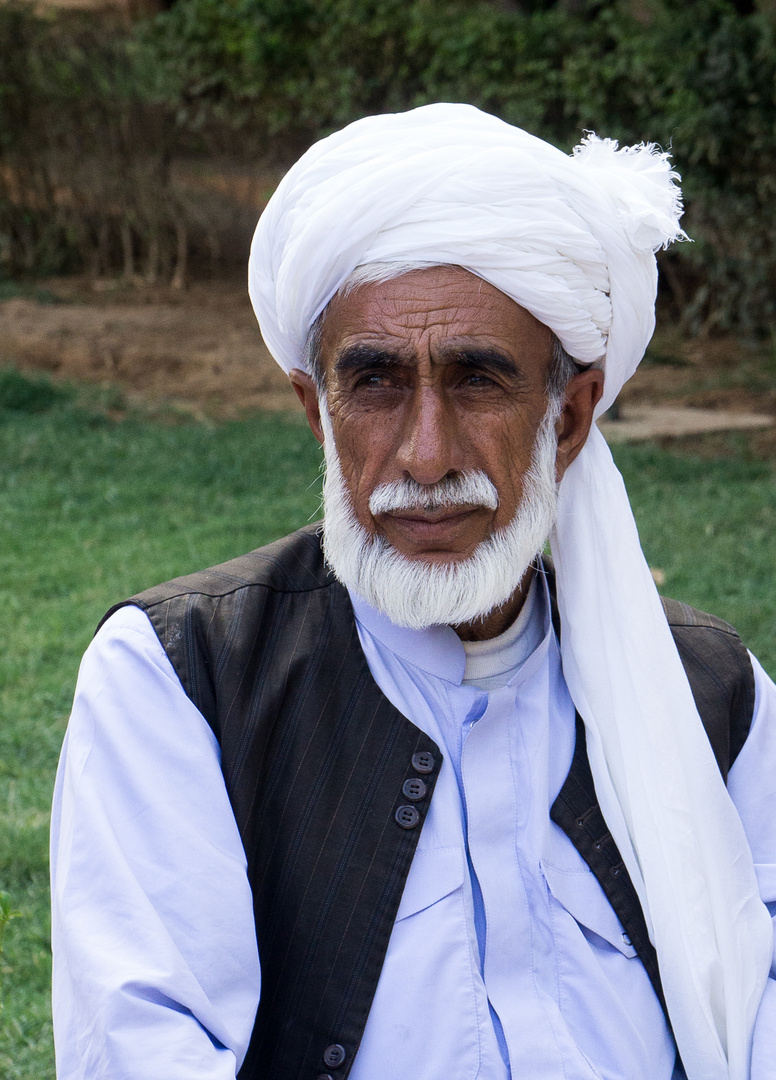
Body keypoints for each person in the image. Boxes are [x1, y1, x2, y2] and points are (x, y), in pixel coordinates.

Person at [50, 104, 776, 1080]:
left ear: (565, 419)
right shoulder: (183, 682)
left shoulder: (713, 692)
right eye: (377, 384)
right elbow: (143, 1054)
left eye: (476, 381)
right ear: (318, 411)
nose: (424, 456)